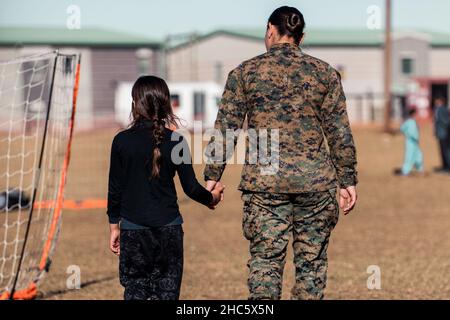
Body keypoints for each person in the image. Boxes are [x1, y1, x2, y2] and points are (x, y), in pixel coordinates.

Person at [203, 6, 358, 300]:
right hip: (316, 184)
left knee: (265, 263)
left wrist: (212, 175)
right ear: (301, 36)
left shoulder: (245, 73)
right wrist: (347, 179)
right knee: (311, 266)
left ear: (270, 30)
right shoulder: (325, 74)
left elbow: (227, 128)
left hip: (265, 186)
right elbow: (339, 131)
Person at [107, 76, 224, 300]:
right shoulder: (177, 141)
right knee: (167, 292)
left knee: (136, 290)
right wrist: (211, 198)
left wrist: (114, 226)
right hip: (169, 230)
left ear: (135, 103)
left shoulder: (121, 141)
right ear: (166, 104)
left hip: (133, 230)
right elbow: (190, 188)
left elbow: (115, 189)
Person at [397, 108, 424, 176]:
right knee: (409, 157)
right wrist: (407, 134)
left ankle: (420, 170)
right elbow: (401, 128)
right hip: (410, 142)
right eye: (417, 114)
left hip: (416, 142)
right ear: (413, 114)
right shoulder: (408, 121)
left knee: (419, 156)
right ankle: (405, 172)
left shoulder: (415, 122)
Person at [434, 97, 450, 173]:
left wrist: (446, 130)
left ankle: (448, 167)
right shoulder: (438, 109)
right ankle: (444, 166)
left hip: (445, 134)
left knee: (446, 151)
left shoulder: (442, 109)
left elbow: (446, 121)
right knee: (442, 151)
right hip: (441, 133)